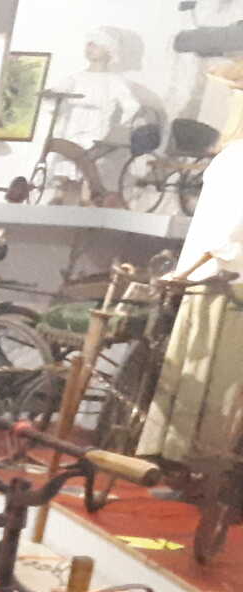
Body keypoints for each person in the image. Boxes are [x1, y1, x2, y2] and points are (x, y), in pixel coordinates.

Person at [140, 60, 243, 465]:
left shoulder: (236, 158)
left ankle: (195, 463)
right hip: (213, 275)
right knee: (203, 374)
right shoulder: (231, 156)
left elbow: (228, 230)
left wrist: (187, 272)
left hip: (219, 279)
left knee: (212, 378)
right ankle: (184, 460)